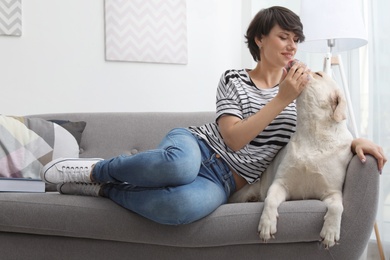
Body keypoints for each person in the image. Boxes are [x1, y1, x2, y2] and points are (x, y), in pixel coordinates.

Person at [41, 6, 387, 225]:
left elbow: (323, 129)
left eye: (296, 40)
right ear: (259, 39)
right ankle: (94, 169)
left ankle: (102, 190)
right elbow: (234, 138)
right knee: (177, 167)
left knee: (179, 208)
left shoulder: (300, 94)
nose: (292, 46)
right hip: (198, 146)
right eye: (283, 37)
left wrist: (359, 140)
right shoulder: (235, 78)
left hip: (225, 181)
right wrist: (281, 98)